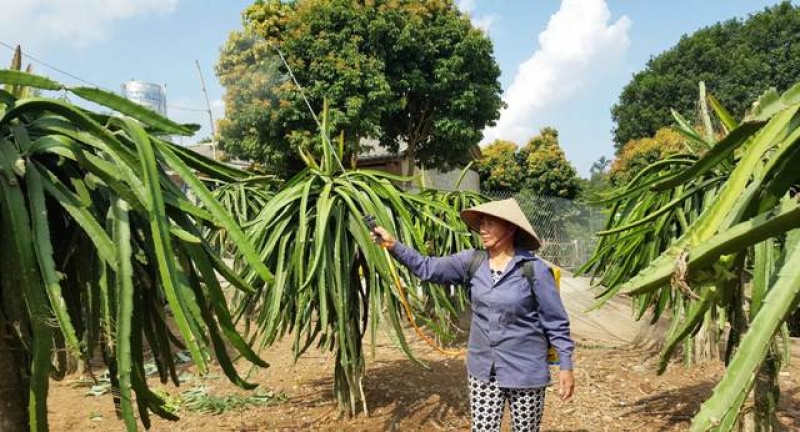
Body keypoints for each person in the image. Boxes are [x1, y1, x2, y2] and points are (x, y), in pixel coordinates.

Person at [371, 198, 575, 432]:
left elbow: (556, 322)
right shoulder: (472, 262)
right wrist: (394, 245)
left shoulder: (534, 269)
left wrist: (566, 367)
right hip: (483, 370)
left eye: (490, 223)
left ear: (510, 228)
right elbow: (427, 268)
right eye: (481, 224)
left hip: (525, 370)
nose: (482, 229)